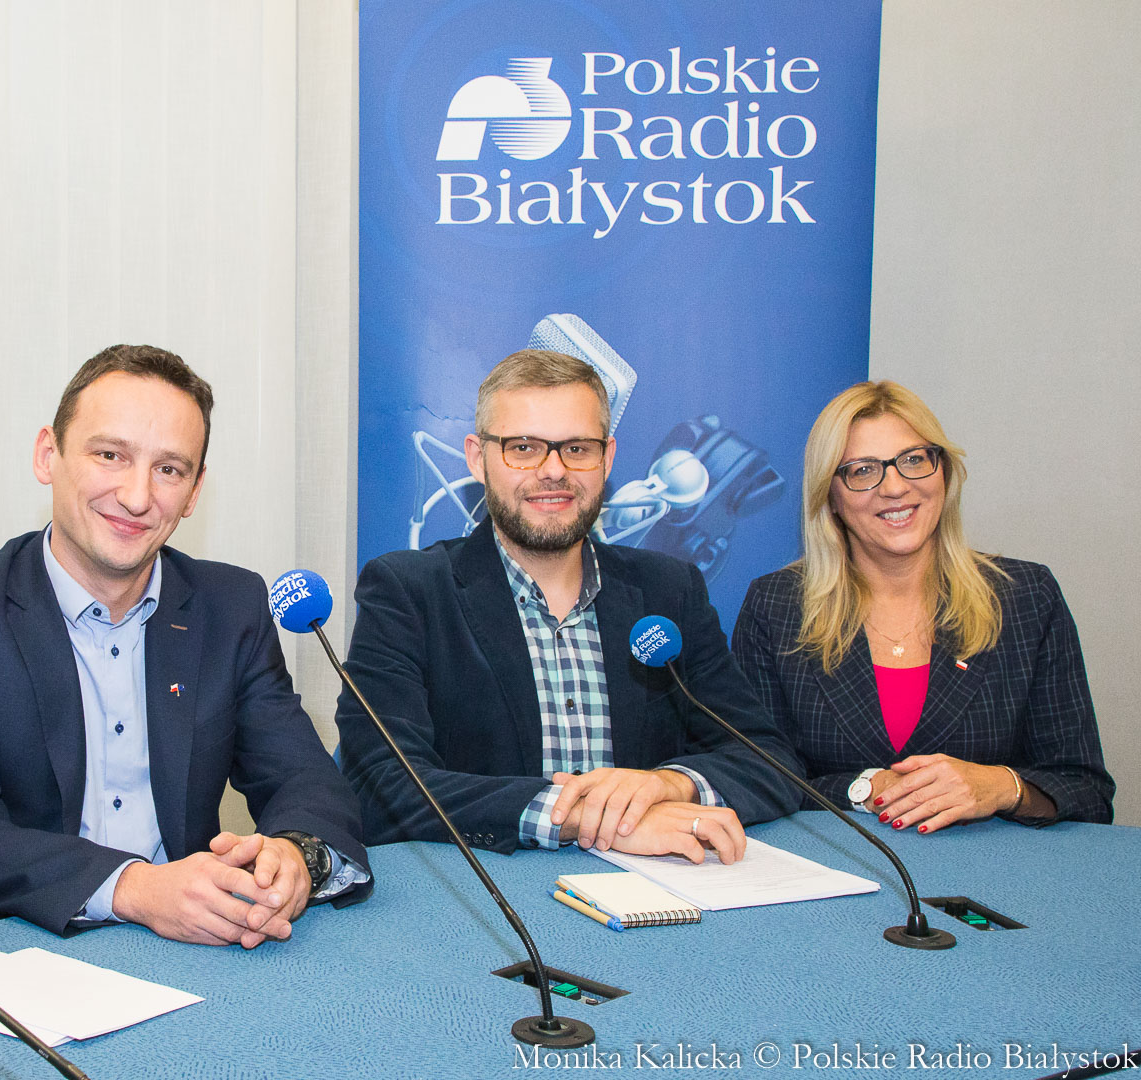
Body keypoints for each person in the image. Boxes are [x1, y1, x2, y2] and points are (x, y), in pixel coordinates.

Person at [0, 344, 370, 947]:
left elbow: (305, 780)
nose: (138, 496)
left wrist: (295, 856)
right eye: (110, 455)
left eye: (169, 469)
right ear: (48, 454)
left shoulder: (230, 606)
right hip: (23, 947)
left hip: (194, 949)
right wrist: (135, 888)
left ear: (194, 492)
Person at [336, 349, 802, 863]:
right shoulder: (407, 591)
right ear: (477, 458)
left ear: (607, 458)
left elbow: (769, 760)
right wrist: (586, 817)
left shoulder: (670, 590)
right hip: (493, 894)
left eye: (577, 448)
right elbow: (379, 784)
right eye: (523, 448)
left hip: (657, 888)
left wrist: (670, 785)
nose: (554, 471)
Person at [732, 380, 1112, 832]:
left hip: (997, 867)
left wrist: (1000, 786)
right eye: (862, 470)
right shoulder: (777, 606)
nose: (895, 487)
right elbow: (757, 779)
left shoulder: (1026, 596)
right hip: (834, 867)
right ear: (830, 496)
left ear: (943, 473)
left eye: (913, 460)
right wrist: (865, 788)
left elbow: (1086, 792)